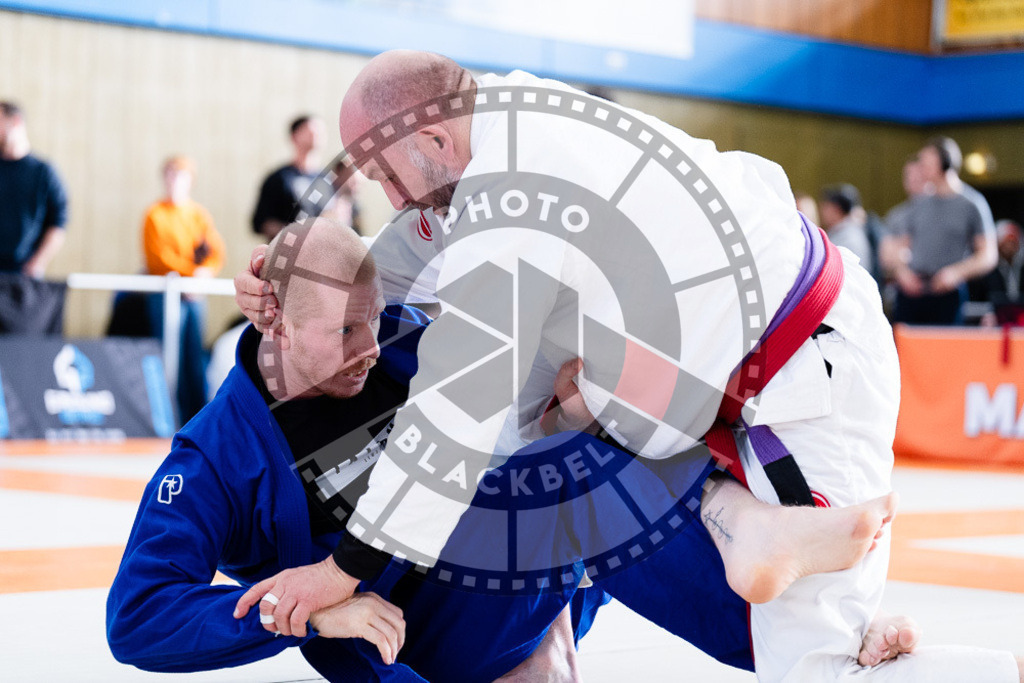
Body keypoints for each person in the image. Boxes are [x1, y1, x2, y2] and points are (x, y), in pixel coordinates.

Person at [234, 52, 1023, 682]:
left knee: (816, 666)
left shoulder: (512, 199)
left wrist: (343, 570)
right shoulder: (500, 119)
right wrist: (301, 282)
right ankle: (746, 525)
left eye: (382, 172)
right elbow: (406, 260)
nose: (385, 194)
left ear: (434, 141)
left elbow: (452, 416)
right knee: (569, 410)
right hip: (741, 369)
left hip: (803, 377)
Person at [108, 219, 602, 682]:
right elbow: (139, 613)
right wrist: (305, 611)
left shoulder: (401, 342)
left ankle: (546, 645)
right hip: (397, 641)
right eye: (346, 330)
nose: (371, 346)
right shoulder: (217, 455)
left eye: (375, 315)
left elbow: (514, 433)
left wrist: (571, 419)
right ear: (276, 321)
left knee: (601, 443)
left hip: (503, 586)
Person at [141, 155, 226, 422]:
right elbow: (158, 258)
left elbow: (215, 252)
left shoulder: (198, 215)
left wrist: (203, 275)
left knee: (194, 356)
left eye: (181, 175)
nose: (176, 180)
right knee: (169, 357)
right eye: (171, 174)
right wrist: (191, 275)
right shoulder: (155, 214)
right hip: (167, 296)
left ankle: (198, 417)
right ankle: (169, 416)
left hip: (193, 295)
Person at [881, 137, 998, 325]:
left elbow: (988, 254)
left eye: (927, 161)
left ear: (945, 162)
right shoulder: (919, 203)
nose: (922, 166)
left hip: (947, 293)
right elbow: (893, 248)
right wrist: (902, 272)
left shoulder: (972, 204)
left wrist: (956, 273)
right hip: (912, 290)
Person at [0, 101, 67, 277]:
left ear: (15, 121)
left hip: (22, 274)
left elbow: (58, 222)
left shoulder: (43, 172)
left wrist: (37, 262)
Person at [252, 115, 333, 241]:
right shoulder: (280, 178)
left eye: (321, 131)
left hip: (321, 255)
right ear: (294, 136)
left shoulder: (329, 179)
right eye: (311, 130)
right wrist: (296, 238)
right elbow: (262, 222)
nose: (317, 135)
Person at [820, 183, 873, 273]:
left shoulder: (848, 237)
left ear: (836, 209)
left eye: (826, 207)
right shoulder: (849, 231)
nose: (822, 211)